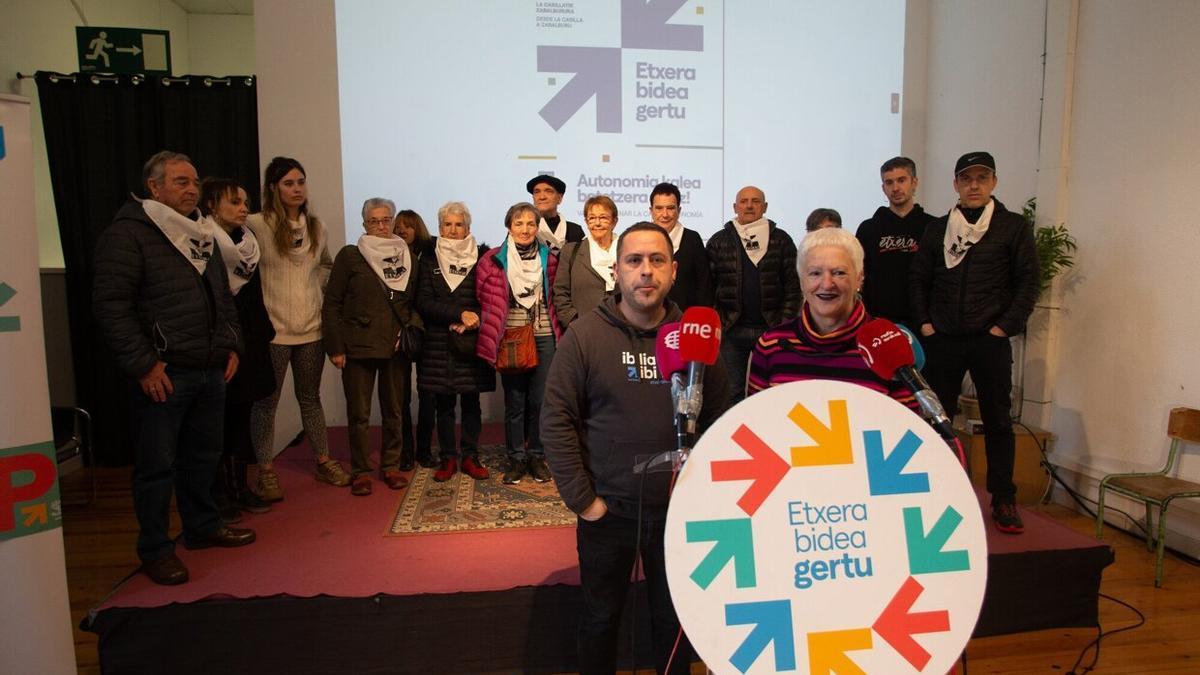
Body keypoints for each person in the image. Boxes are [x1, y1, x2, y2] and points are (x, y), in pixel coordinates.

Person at [542, 222, 730, 675]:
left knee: (673, 624)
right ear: (617, 271)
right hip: (609, 513)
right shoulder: (586, 336)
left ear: (673, 270)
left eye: (657, 261)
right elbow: (556, 420)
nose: (646, 271)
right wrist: (585, 503)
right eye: (634, 261)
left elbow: (721, 421)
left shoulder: (697, 339)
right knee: (601, 620)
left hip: (679, 516)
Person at [93, 151, 255, 585]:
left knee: (202, 457)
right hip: (164, 374)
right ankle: (155, 549)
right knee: (157, 466)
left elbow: (222, 297)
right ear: (154, 187)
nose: (191, 189)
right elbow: (112, 308)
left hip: (210, 368)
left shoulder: (201, 232)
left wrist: (231, 344)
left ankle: (202, 527)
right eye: (181, 181)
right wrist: (145, 365)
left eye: (194, 182)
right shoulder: (129, 235)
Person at [910, 151, 1040, 534]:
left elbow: (1028, 281)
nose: (974, 185)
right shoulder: (937, 229)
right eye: (966, 178)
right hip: (943, 340)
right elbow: (918, 279)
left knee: (998, 422)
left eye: (982, 178)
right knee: (938, 420)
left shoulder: (1012, 227)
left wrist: (1005, 327)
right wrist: (925, 325)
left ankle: (1003, 498)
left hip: (990, 340)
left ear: (994, 183)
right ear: (955, 184)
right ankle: (939, 494)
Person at [247, 156, 348, 500]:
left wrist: (314, 290)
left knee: (310, 398)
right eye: (288, 183)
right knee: (266, 403)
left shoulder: (317, 227)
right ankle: (265, 470)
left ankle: (323, 460)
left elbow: (327, 265)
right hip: (273, 331)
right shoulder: (256, 225)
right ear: (273, 187)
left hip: (311, 331)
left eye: (301, 182)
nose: (296, 189)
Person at [747, 228, 919, 411]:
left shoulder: (888, 346)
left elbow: (912, 431)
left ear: (859, 278)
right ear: (801, 280)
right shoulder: (771, 345)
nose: (827, 284)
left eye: (839, 273)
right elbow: (753, 421)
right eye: (815, 273)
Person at [323, 198, 422, 496]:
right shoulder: (350, 256)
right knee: (359, 414)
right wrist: (335, 347)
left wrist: (406, 330)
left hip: (394, 347)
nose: (381, 226)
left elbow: (414, 303)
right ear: (364, 224)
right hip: (357, 346)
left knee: (394, 411)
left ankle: (390, 466)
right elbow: (332, 304)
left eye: (386, 220)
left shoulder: (407, 257)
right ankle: (361, 470)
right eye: (374, 221)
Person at [200, 177, 274, 522]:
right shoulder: (202, 242)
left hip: (252, 339)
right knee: (217, 422)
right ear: (213, 206)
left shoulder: (248, 242)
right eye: (234, 202)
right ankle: (219, 493)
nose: (244, 208)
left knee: (242, 417)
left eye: (244, 201)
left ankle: (240, 486)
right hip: (221, 345)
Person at [476, 202, 561, 485]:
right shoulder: (492, 259)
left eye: (530, 223)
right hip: (511, 337)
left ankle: (537, 455)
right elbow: (482, 294)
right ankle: (516, 458)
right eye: (518, 223)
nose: (525, 229)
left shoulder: (549, 258)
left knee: (540, 401)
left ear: (537, 227)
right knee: (515, 402)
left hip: (544, 335)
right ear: (509, 227)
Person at [417, 202, 495, 482]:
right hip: (438, 343)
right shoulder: (428, 259)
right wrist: (457, 313)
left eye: (458, 224)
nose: (453, 229)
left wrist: (473, 318)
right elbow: (423, 302)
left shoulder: (484, 257)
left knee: (472, 402)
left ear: (468, 228)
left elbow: (492, 298)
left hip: (471, 340)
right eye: (447, 225)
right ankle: (448, 457)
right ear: (440, 228)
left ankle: (470, 456)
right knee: (444, 405)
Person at [707, 185, 801, 404]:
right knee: (731, 393)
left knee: (774, 392)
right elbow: (709, 288)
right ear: (735, 206)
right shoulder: (719, 241)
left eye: (756, 201)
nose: (749, 205)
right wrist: (718, 321)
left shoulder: (781, 240)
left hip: (771, 330)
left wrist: (784, 323)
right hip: (731, 330)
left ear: (765, 206)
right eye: (744, 201)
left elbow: (793, 286)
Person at [856, 156, 936, 327]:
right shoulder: (868, 229)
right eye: (889, 182)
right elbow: (859, 276)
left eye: (901, 180)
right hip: (879, 321)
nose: (896, 188)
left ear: (914, 182)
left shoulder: (933, 227)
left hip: (925, 323)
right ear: (883, 188)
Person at [394, 209, 437, 469]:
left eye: (407, 226)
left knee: (428, 395)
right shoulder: (387, 254)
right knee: (401, 397)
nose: (401, 231)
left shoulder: (431, 254)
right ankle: (405, 451)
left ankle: (424, 449)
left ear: (417, 228)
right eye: (397, 226)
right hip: (399, 331)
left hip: (428, 332)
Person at [552, 194, 618, 331]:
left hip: (622, 329)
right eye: (592, 218)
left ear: (614, 221)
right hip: (584, 330)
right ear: (586, 222)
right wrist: (572, 321)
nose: (597, 223)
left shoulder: (628, 252)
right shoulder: (571, 251)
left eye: (603, 218)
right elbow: (560, 292)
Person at [648, 182, 712, 311]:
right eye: (659, 208)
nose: (665, 214)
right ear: (651, 210)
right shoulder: (641, 238)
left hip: (684, 321)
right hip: (646, 319)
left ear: (679, 210)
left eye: (670, 208)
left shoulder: (692, 239)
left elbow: (704, 286)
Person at [527, 174, 584, 255]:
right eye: (537, 192)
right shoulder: (524, 229)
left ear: (560, 198)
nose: (542, 197)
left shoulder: (574, 231)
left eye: (548, 191)